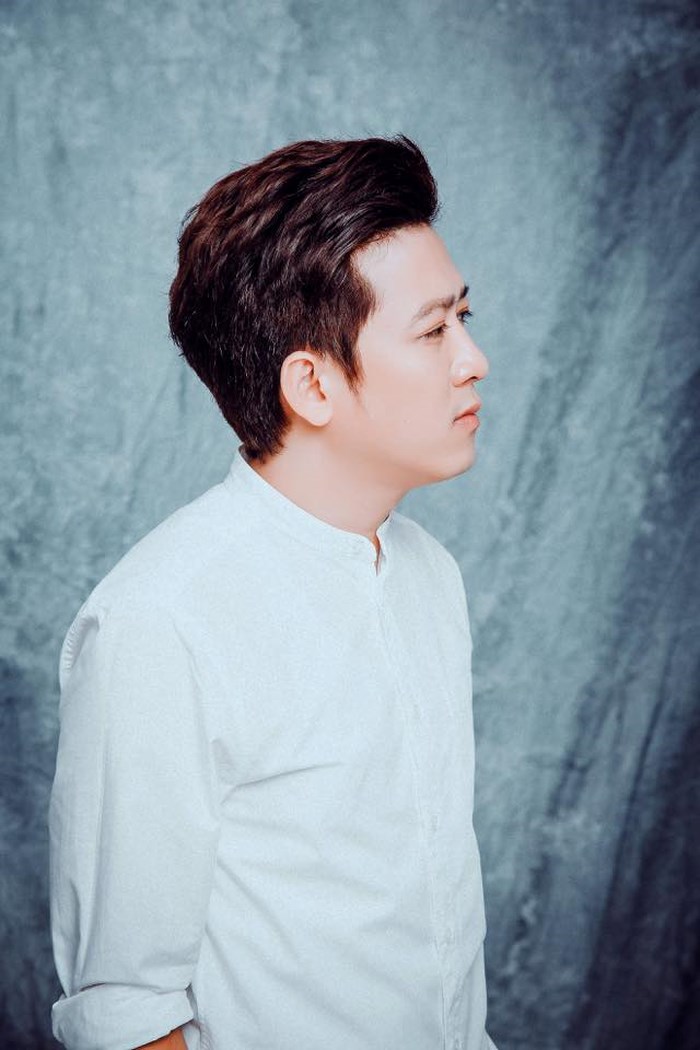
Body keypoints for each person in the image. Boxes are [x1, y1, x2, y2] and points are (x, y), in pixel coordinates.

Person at [49, 135, 496, 1050]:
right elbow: (126, 1009)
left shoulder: (430, 574)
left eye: (465, 316)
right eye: (433, 330)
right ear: (312, 384)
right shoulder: (162, 622)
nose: (473, 358)